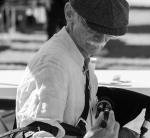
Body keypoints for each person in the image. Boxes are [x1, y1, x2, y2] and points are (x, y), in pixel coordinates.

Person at [15, 0, 130, 138]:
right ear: (69, 13)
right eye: (93, 28)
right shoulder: (53, 64)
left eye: (109, 34)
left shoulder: (78, 56)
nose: (101, 39)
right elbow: (34, 134)